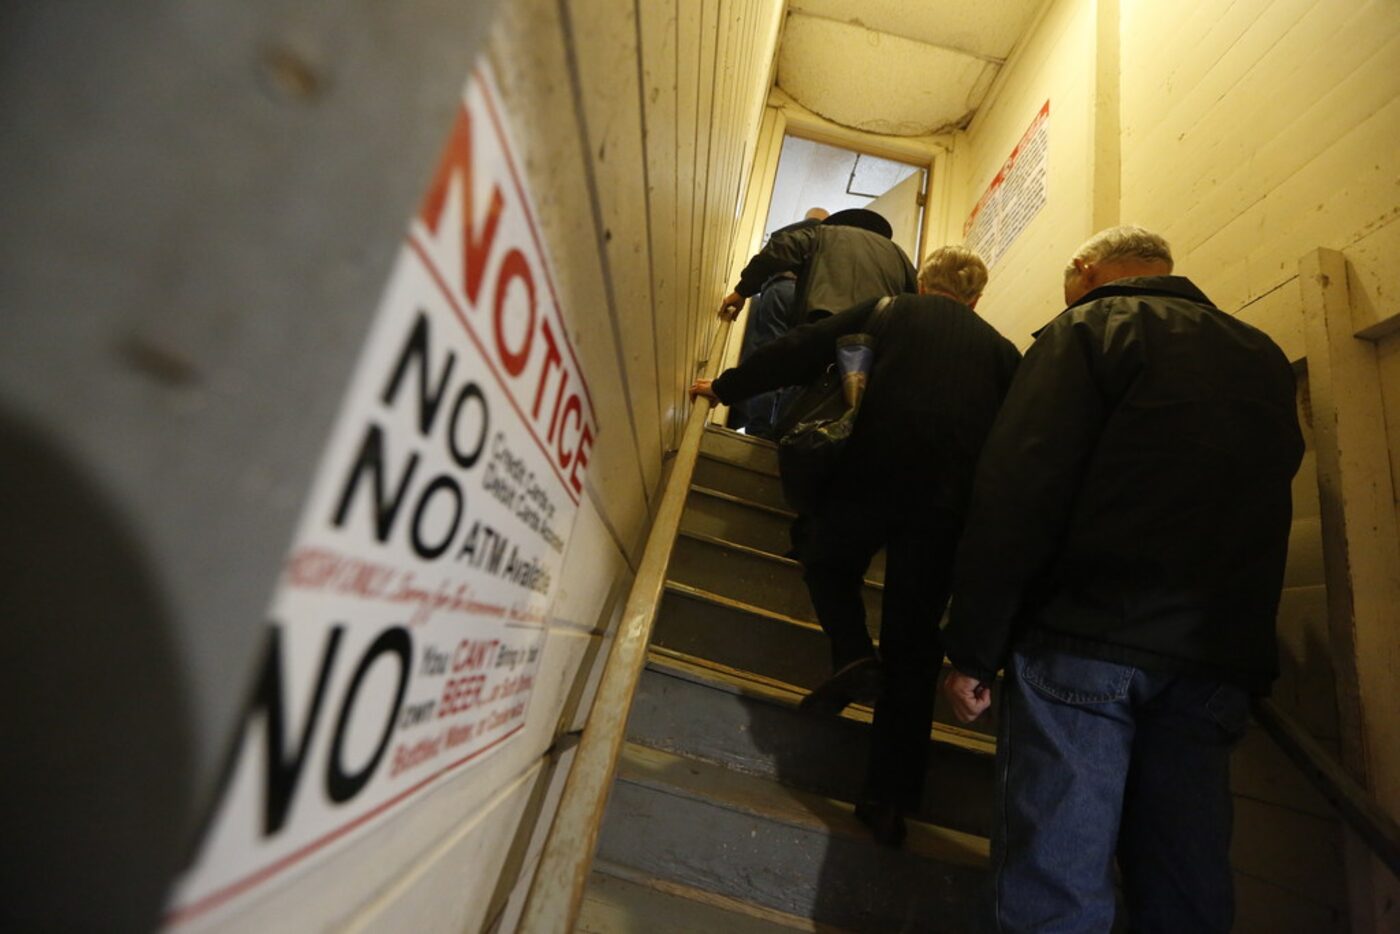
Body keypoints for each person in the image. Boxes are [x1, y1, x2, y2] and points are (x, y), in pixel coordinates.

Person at [939, 226, 1304, 932]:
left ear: (1084, 270)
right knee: (1185, 880)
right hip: (1213, 658)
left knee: (1056, 875)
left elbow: (1019, 489)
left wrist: (973, 647)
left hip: (1086, 636)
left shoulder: (1092, 326)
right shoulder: (1257, 353)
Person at [693, 246, 1021, 846]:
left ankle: (851, 653)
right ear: (976, 299)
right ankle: (888, 801)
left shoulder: (891, 310)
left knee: (825, 559)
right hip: (947, 508)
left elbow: (804, 348)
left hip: (868, 478)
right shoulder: (1003, 353)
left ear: (924, 282)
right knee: (916, 646)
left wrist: (727, 387)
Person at [729, 207, 829, 438]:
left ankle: (759, 427)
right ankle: (784, 431)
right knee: (799, 362)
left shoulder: (794, 232)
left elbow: (772, 254)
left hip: (781, 289)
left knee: (769, 354)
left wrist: (743, 291)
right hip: (809, 300)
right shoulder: (833, 240)